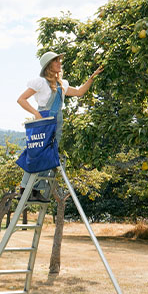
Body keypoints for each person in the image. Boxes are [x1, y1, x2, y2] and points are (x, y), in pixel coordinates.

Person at [17, 51, 103, 202]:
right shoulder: (40, 82)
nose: (59, 63)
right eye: (56, 61)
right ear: (49, 65)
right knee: (37, 152)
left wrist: (93, 77)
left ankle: (37, 190)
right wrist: (36, 114)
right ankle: (24, 187)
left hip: (57, 121)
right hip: (44, 119)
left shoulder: (62, 84)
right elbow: (21, 99)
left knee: (49, 153)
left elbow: (80, 92)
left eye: (59, 61)